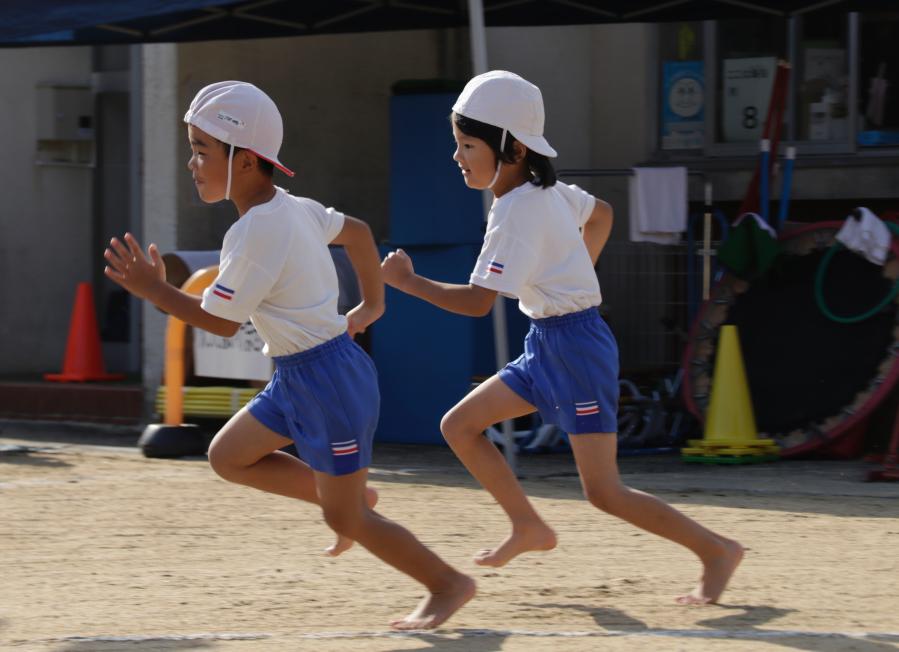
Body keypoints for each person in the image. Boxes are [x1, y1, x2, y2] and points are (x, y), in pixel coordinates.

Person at [104, 81, 474, 629]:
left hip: (328, 382)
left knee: (343, 515)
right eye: (193, 148)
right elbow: (360, 232)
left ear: (248, 161)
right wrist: (371, 305)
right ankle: (349, 496)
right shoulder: (293, 209)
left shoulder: (256, 232)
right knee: (228, 456)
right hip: (302, 375)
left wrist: (154, 289)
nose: (192, 163)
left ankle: (447, 583)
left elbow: (223, 323)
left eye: (203, 150)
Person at [381, 70, 743, 605]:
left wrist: (408, 283)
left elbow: (478, 302)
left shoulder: (517, 210)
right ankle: (529, 527)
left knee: (605, 492)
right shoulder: (544, 190)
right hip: (553, 340)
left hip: (573, 347)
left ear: (514, 147)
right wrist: (575, 278)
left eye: (468, 145)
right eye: (456, 144)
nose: (457, 156)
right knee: (459, 425)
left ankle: (715, 550)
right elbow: (603, 216)